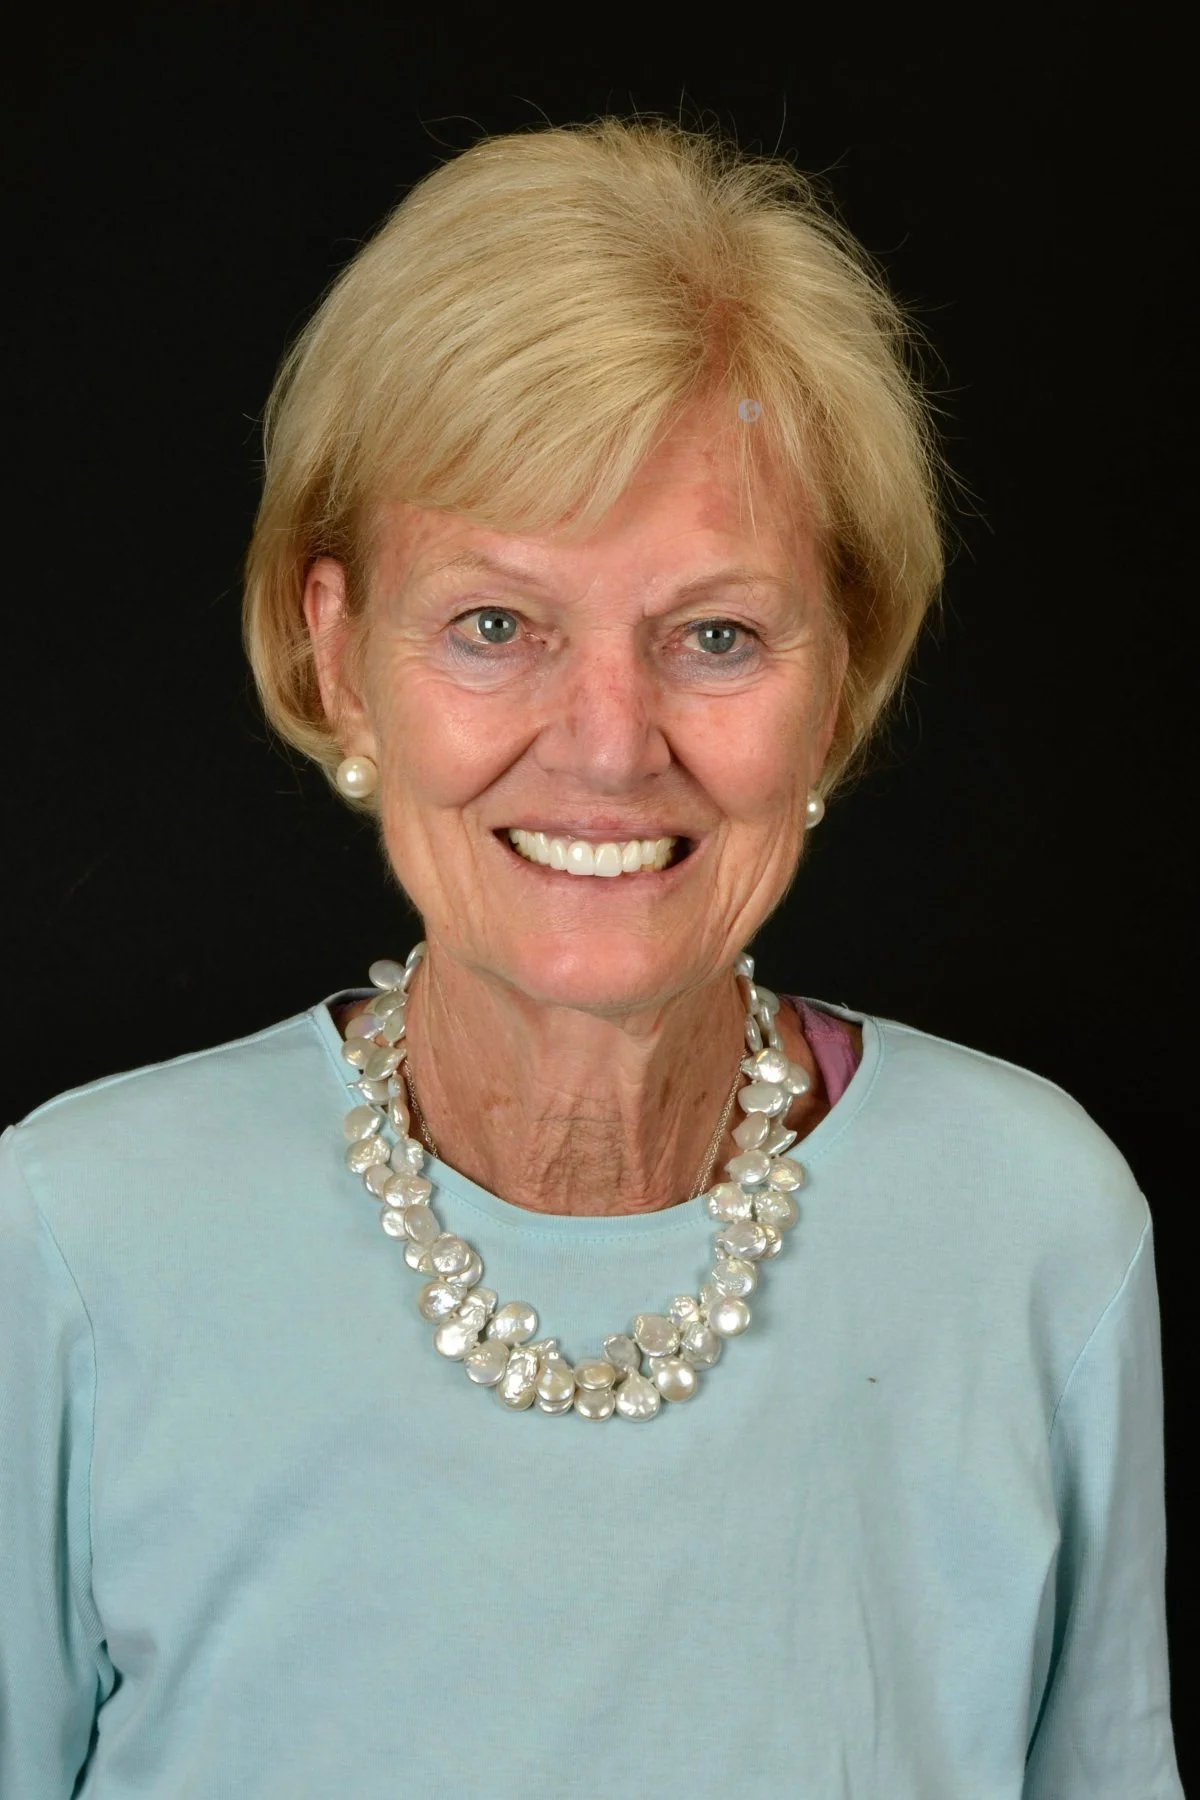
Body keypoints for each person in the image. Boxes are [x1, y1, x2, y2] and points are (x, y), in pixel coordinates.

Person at [0, 116, 1181, 1800]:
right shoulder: (69, 1243)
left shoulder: (1037, 1232)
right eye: (496, 625)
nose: (610, 747)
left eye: (717, 634)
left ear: (840, 680)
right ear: (340, 659)